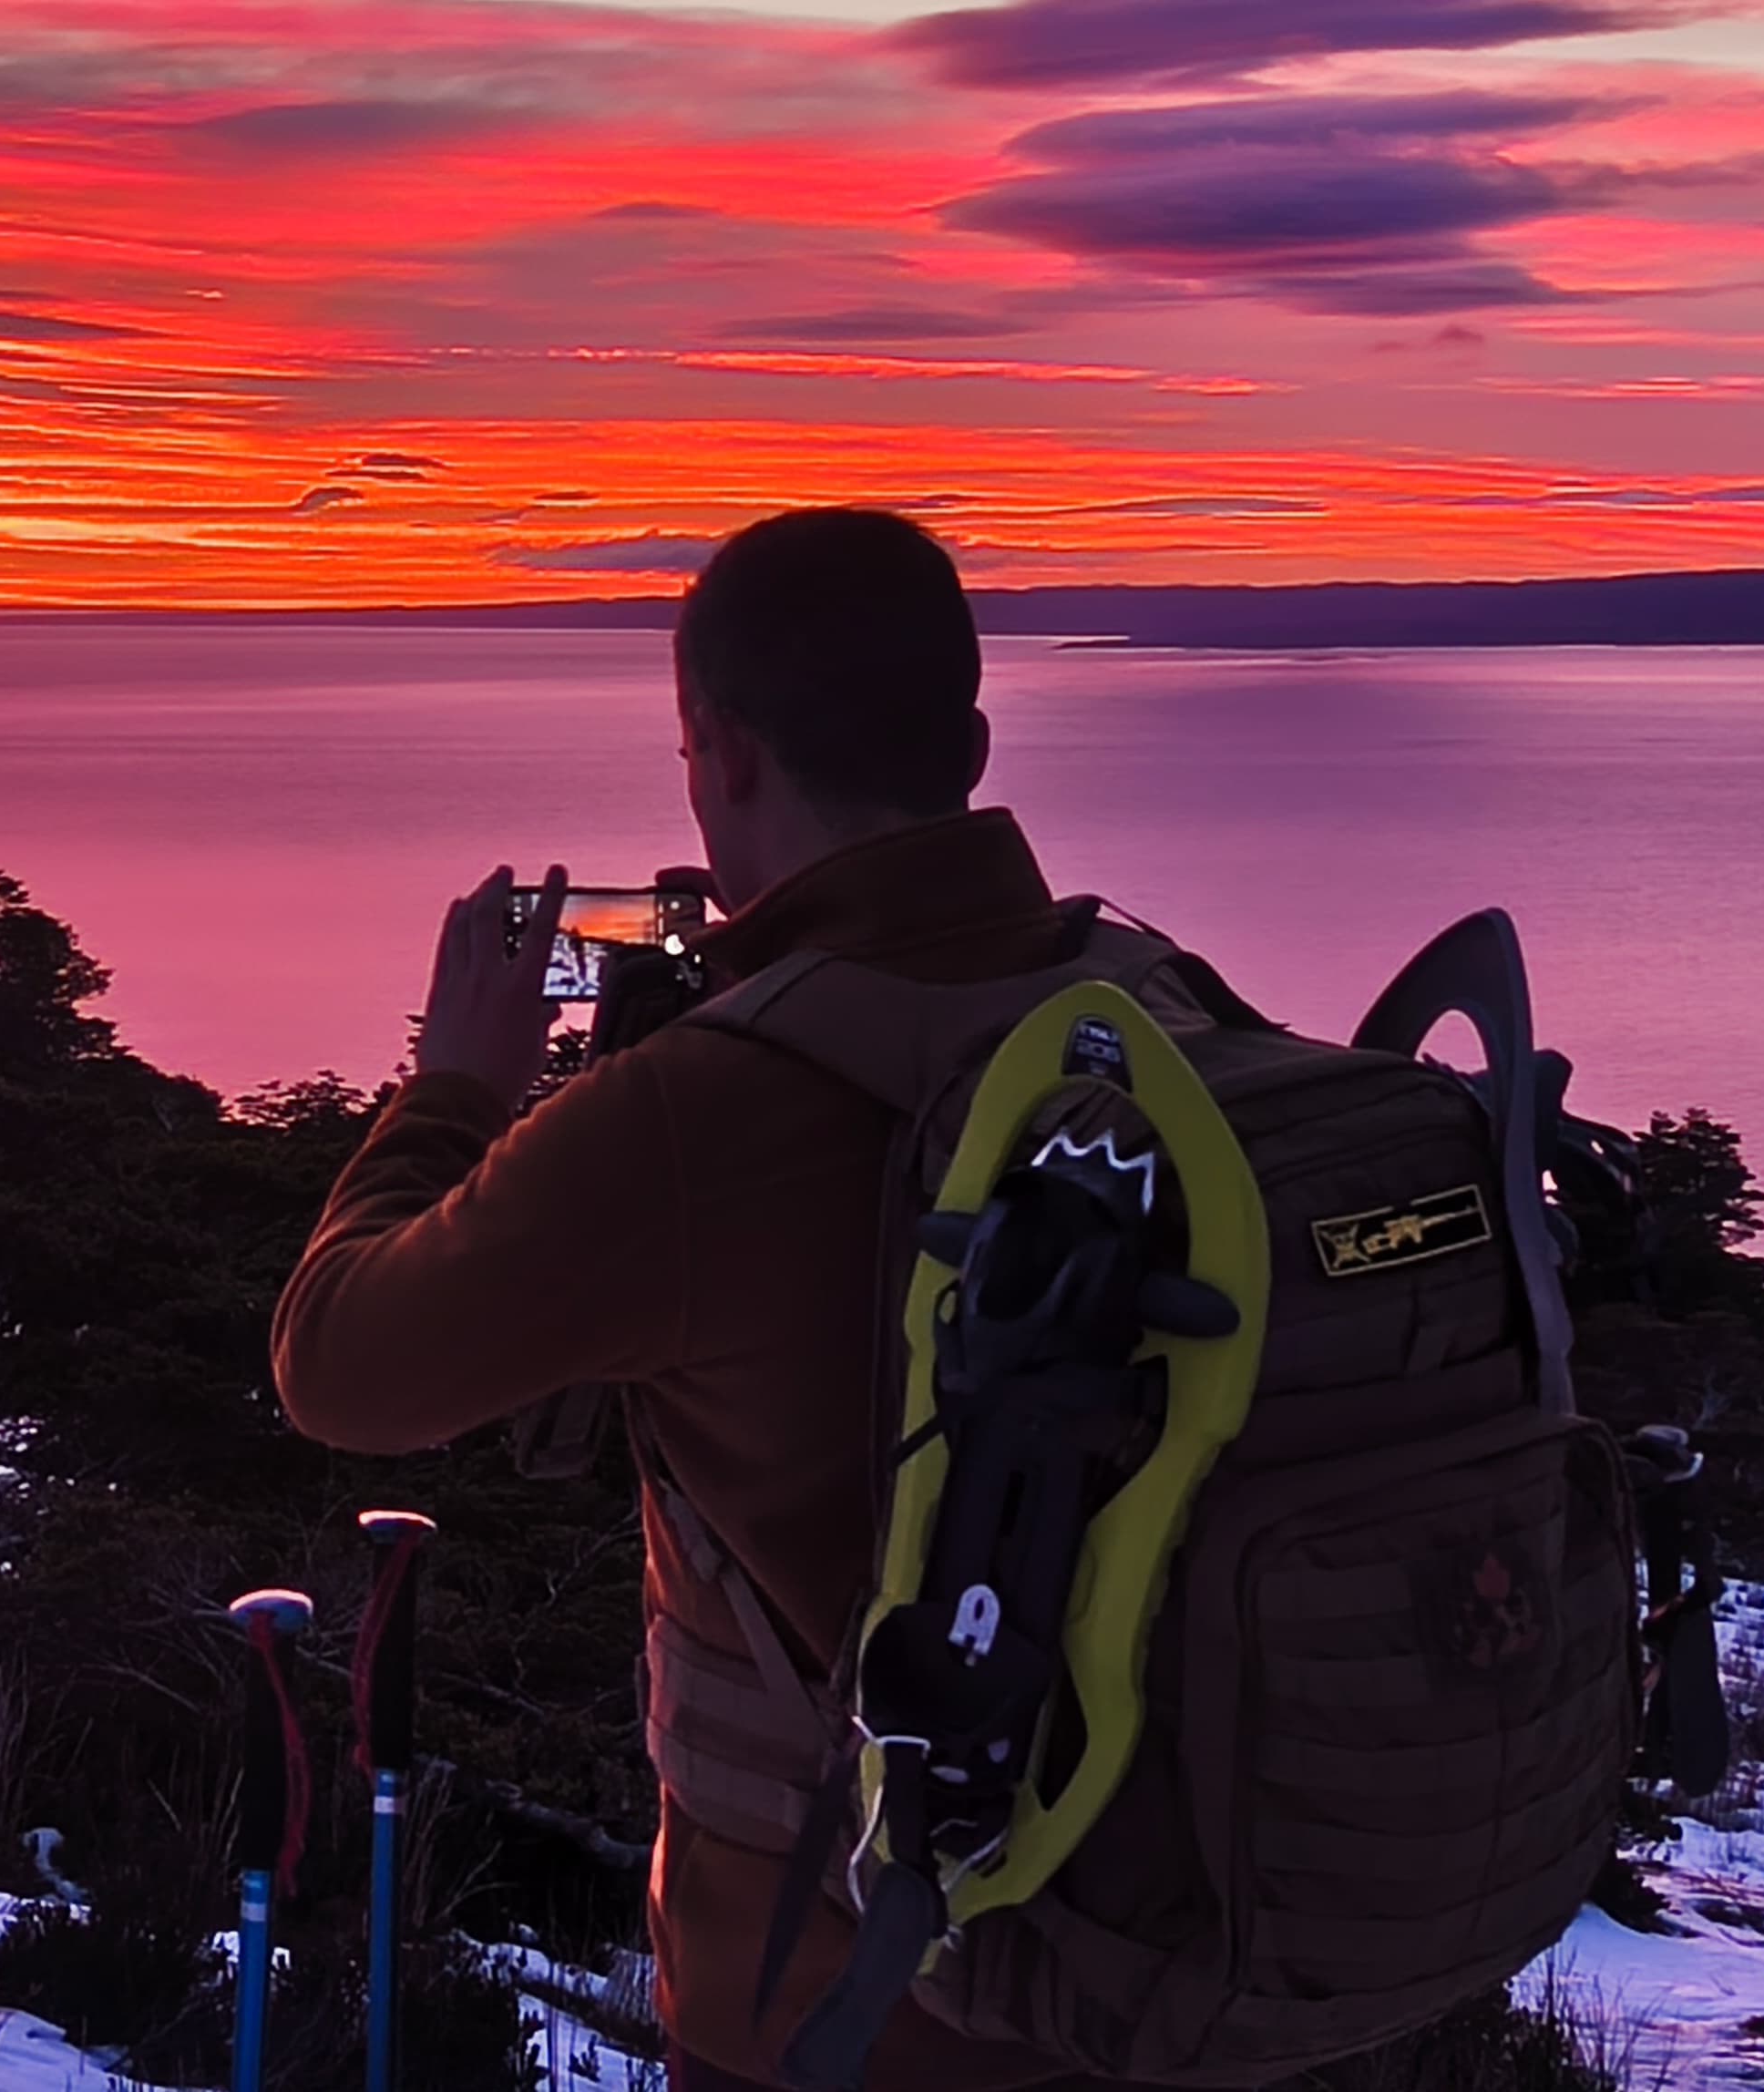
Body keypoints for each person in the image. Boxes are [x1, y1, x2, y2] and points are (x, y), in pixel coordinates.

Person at [272, 509, 1135, 2091]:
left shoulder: (696, 1113)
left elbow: (338, 1365)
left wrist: (458, 1088)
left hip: (844, 2006)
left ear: (722, 753)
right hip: (1166, 1955)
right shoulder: (1153, 1014)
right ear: (972, 741)